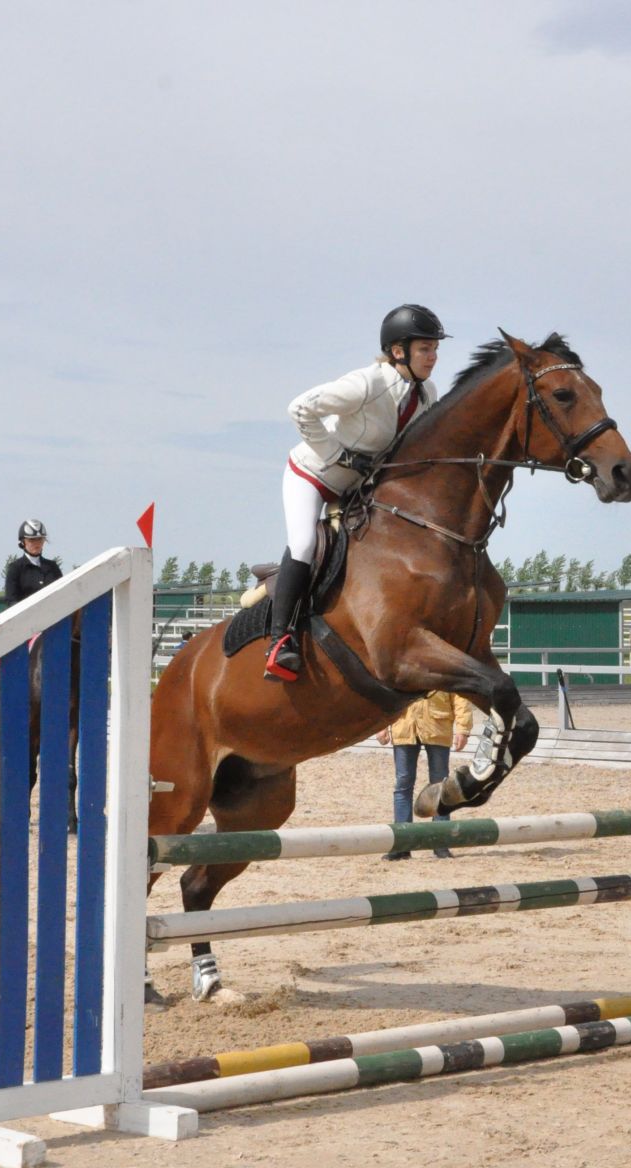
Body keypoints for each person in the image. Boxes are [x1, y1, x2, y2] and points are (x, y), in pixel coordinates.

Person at [268, 304, 449, 682]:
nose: (433, 357)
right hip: (312, 475)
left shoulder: (426, 393)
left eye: (435, 349)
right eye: (425, 349)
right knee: (303, 544)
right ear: (398, 351)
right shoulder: (366, 384)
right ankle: (279, 641)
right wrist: (339, 455)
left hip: (357, 487)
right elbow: (299, 408)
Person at [375, 691, 474, 860]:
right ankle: (402, 843)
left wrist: (463, 728)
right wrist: (381, 724)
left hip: (437, 726)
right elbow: (387, 690)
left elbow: (460, 694)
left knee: (441, 786)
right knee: (403, 785)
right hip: (405, 725)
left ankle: (441, 841)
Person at [4, 520, 63, 604]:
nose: (37, 543)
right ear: (23, 542)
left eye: (40, 539)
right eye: (32, 540)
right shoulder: (15, 568)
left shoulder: (52, 567)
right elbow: (11, 600)